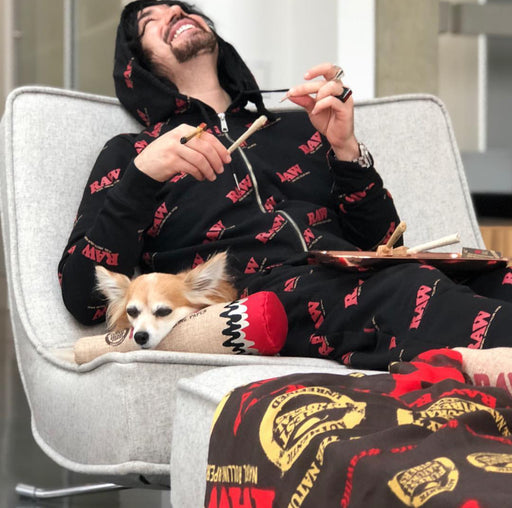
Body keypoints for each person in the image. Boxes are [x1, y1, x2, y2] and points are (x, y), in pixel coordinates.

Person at [58, 0, 512, 371]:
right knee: (408, 288)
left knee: (497, 278)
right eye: (149, 22)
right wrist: (141, 177)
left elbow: (385, 243)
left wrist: (346, 149)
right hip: (261, 297)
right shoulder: (134, 153)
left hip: (349, 275)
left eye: (181, 8)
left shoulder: (300, 127)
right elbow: (84, 298)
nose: (174, 12)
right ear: (138, 66)